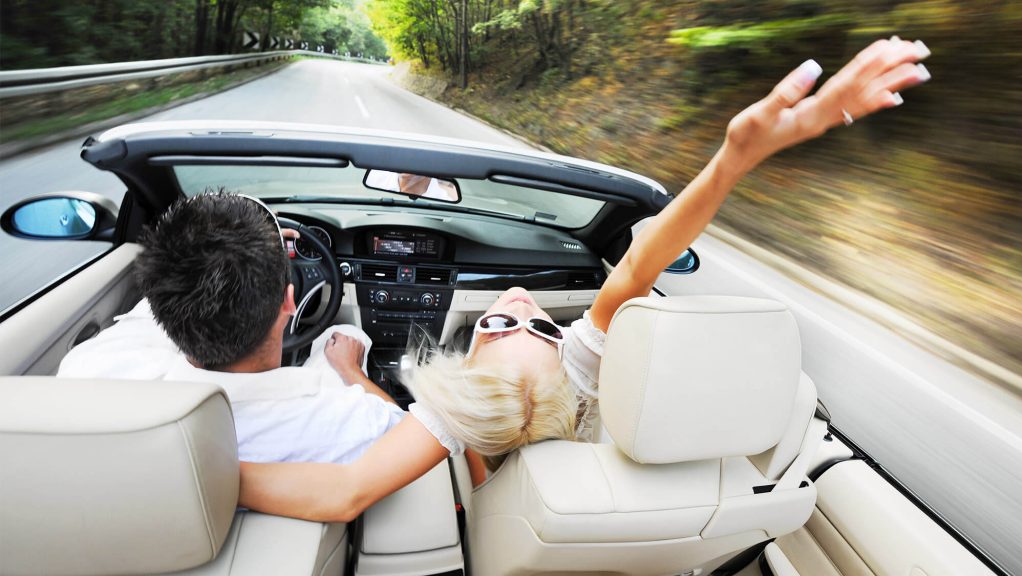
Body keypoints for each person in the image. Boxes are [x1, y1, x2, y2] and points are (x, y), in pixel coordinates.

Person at [236, 37, 933, 523]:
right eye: (540, 324)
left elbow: (347, 490)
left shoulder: (456, 422)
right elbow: (637, 264)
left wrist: (175, 474)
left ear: (468, 368)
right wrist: (734, 158)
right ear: (568, 364)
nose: (515, 304)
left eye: (501, 325)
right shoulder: (567, 393)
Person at [58, 192, 405, 465]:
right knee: (345, 337)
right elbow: (401, 427)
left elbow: (156, 304)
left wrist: (238, 248)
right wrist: (351, 372)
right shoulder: (340, 422)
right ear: (290, 302)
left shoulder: (89, 369)